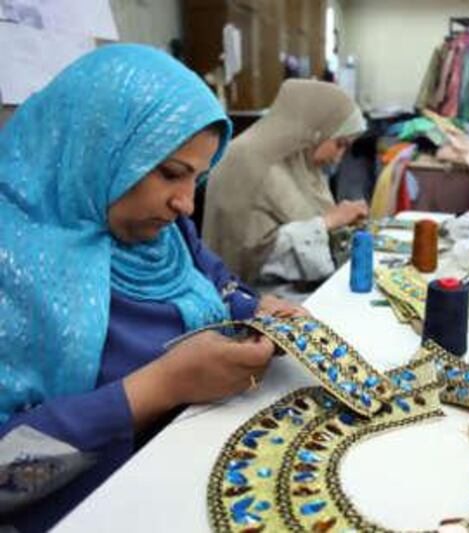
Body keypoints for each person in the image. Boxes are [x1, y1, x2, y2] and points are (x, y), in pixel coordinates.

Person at [0, 44, 303, 532]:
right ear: (98, 149)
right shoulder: (12, 259)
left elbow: (216, 281)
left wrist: (260, 311)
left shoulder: (163, 233)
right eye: (170, 174)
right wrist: (160, 386)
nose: (186, 203)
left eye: (197, 180)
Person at [203, 79, 369, 296]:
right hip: (253, 297)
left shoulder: (300, 163)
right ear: (317, 129)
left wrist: (337, 221)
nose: (338, 158)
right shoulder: (250, 162)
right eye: (340, 144)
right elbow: (250, 252)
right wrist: (329, 221)